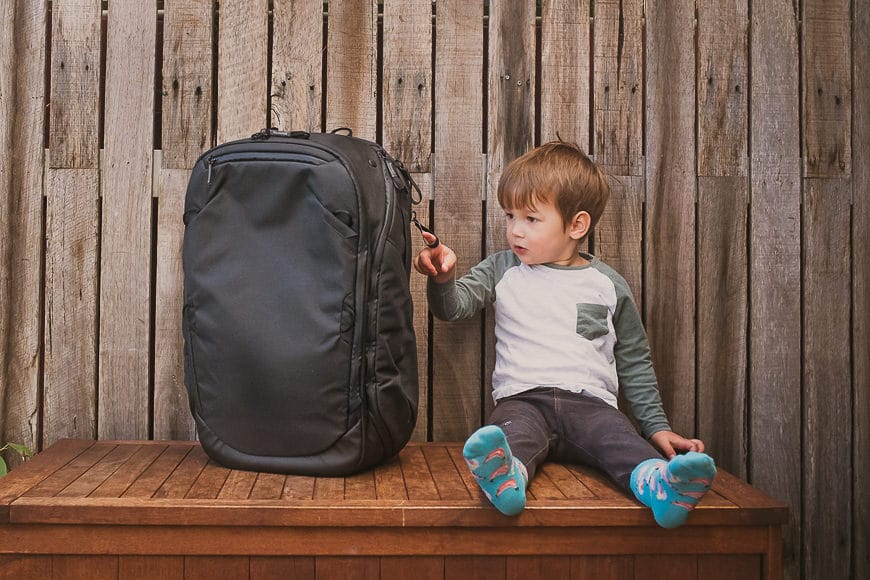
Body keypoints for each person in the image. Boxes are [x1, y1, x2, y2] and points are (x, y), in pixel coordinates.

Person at [413, 141, 716, 528]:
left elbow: (635, 362)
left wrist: (657, 427)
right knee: (509, 439)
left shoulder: (607, 285)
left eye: (531, 218)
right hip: (523, 401)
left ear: (576, 225)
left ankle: (662, 486)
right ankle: (507, 481)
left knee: (622, 443)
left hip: (593, 407)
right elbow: (452, 308)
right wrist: (443, 278)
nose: (515, 230)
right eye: (510, 216)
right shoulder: (502, 269)